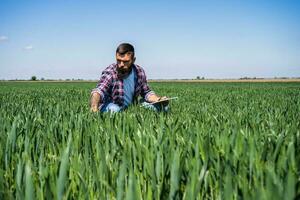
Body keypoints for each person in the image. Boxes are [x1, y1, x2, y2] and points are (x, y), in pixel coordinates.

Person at [90, 43, 169, 113]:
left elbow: (146, 92)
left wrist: (158, 100)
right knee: (115, 110)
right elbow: (99, 91)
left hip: (132, 106)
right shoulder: (110, 72)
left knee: (164, 108)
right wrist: (94, 108)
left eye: (125, 61)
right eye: (119, 60)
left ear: (133, 60)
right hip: (112, 105)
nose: (121, 64)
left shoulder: (139, 72)